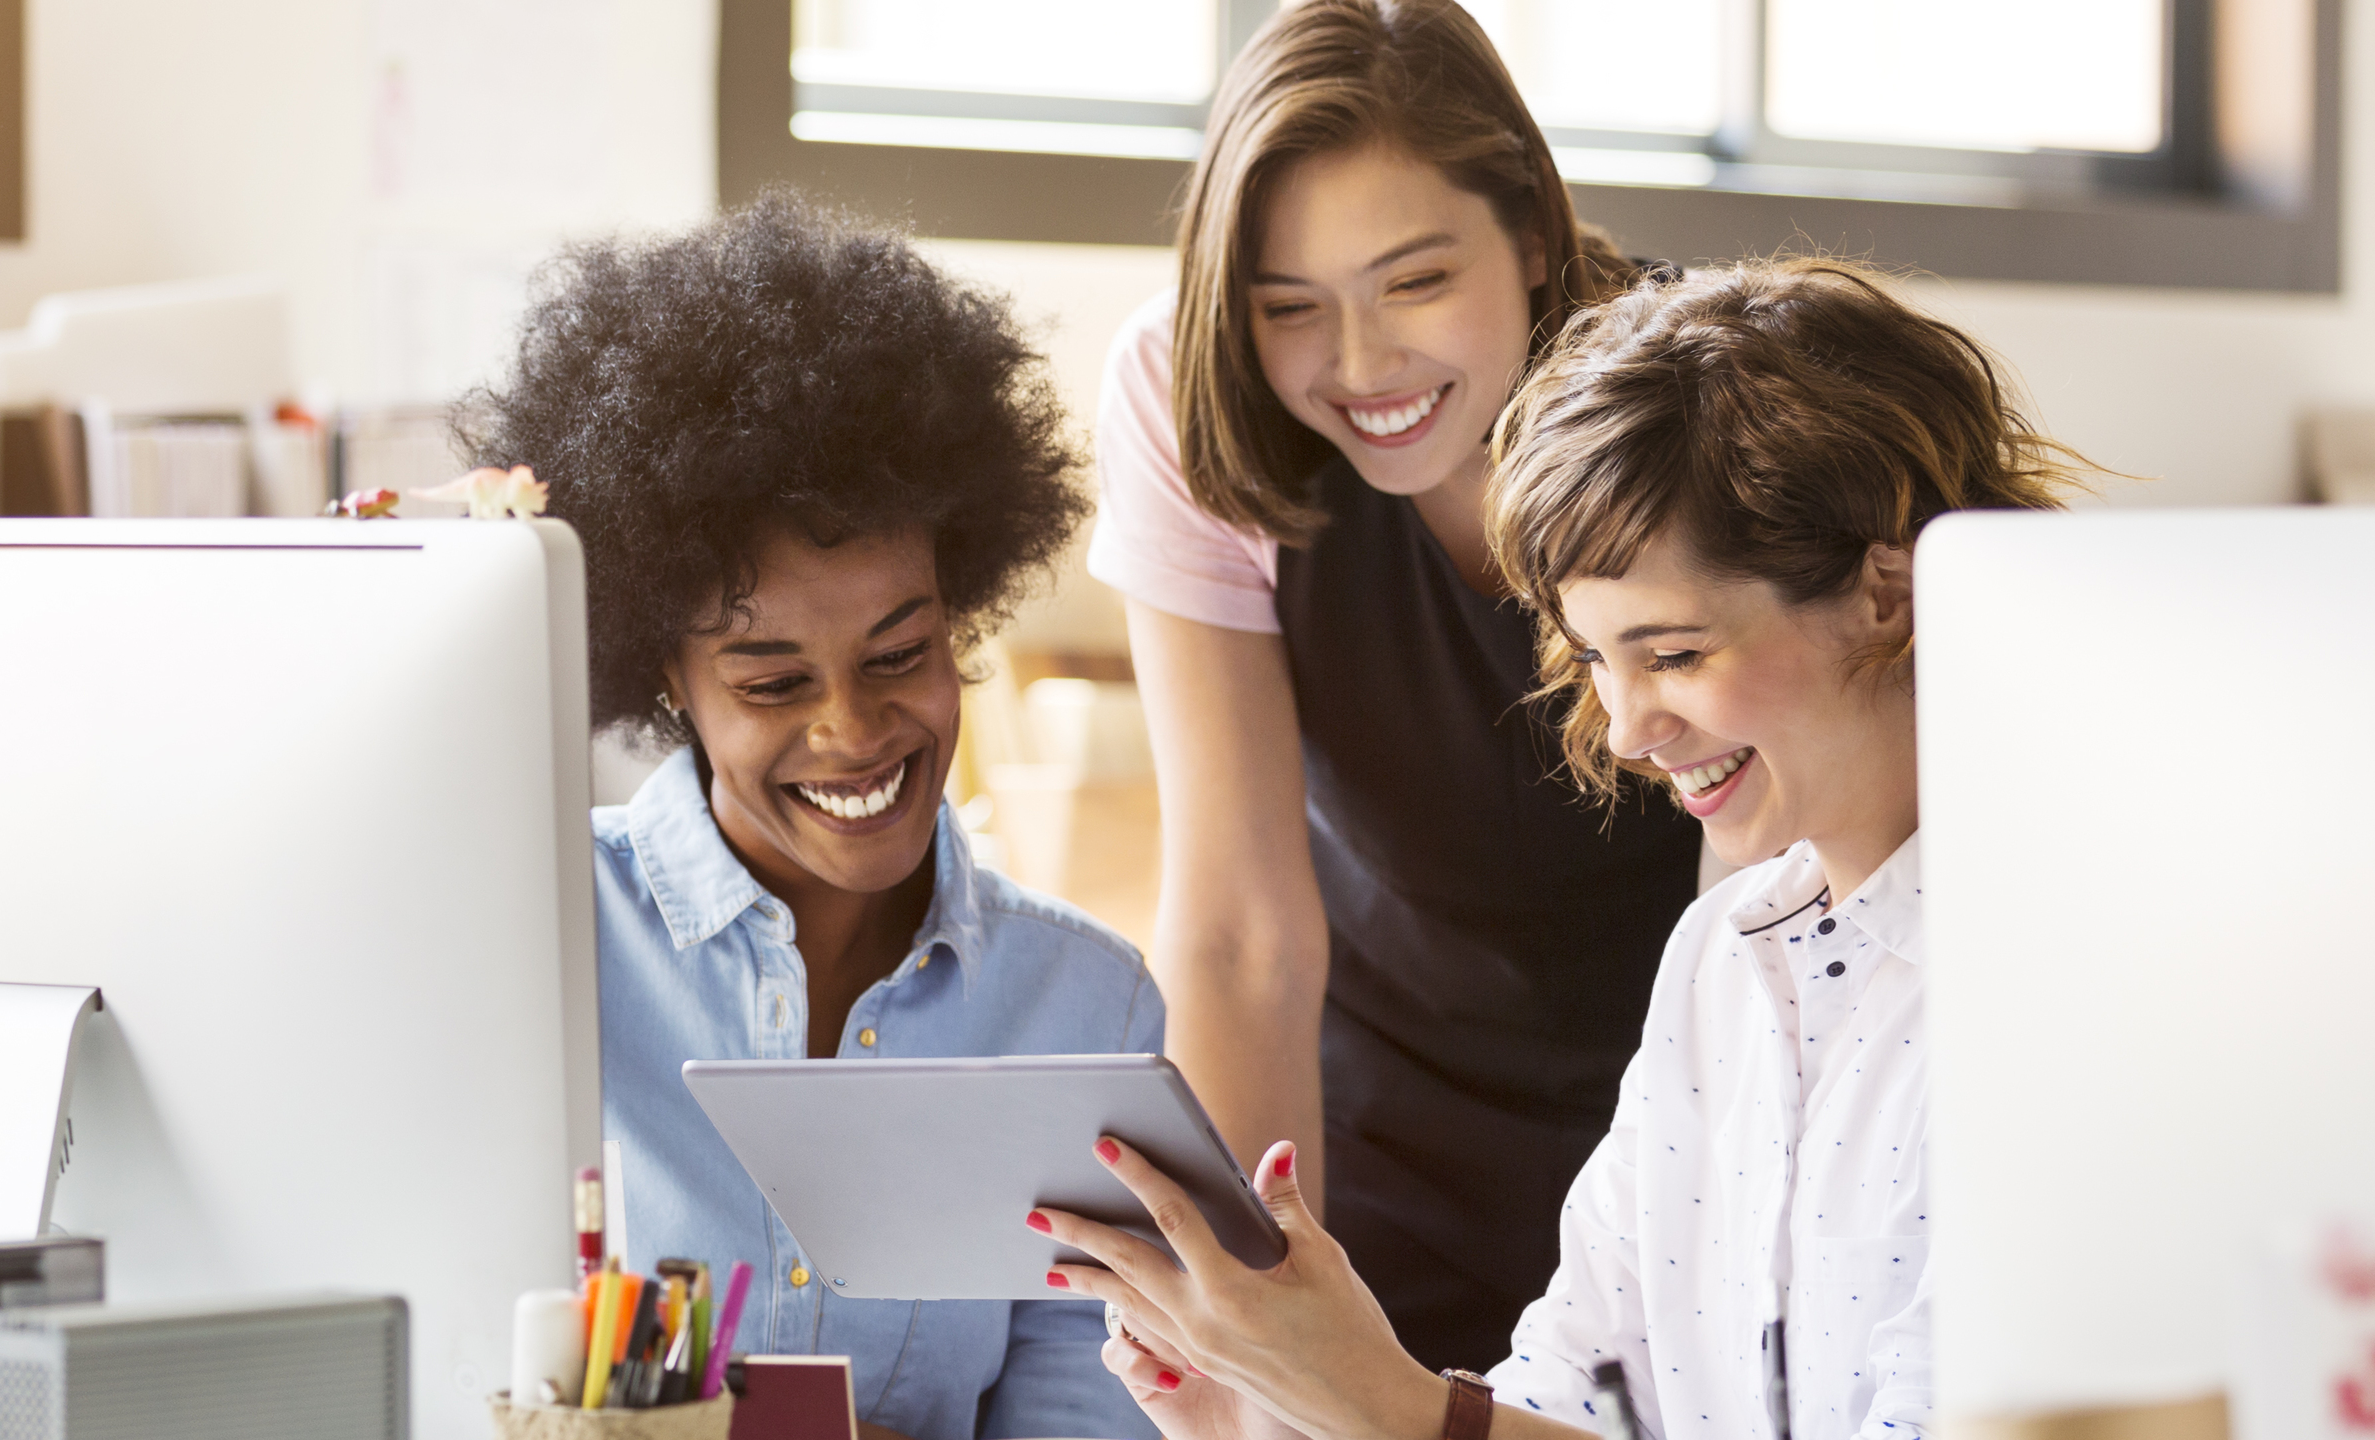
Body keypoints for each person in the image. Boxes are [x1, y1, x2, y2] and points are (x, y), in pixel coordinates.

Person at [1033, 257, 2089, 1440]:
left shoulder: (2058, 985)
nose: (1632, 730)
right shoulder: (1724, 966)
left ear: (1887, 594)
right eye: (1596, 660)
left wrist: (1386, 1402)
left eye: (1676, 655)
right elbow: (1570, 1396)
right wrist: (1263, 1409)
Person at [460, 195, 1163, 1440]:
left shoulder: (1081, 1009)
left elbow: (1085, 1411)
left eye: (902, 653)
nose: (852, 730)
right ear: (665, 680)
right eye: (773, 683)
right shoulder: (534, 933)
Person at [1088, 0, 1702, 1367]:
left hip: (1690, 1106)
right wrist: (1248, 1308)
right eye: (1289, 307)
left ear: (1534, 236)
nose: (1360, 369)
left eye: (1416, 281)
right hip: (1378, 1129)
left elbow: (1769, 908)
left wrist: (1684, 1258)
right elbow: (1242, 928)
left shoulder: (1695, 404)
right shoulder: (1184, 404)